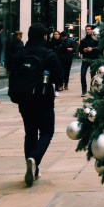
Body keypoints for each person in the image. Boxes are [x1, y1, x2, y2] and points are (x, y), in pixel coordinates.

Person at [13, 23, 63, 186]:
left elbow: (13, 72)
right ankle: (34, 158)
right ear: (44, 36)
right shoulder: (49, 53)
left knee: (30, 133)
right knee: (47, 132)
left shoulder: (22, 52)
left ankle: (33, 169)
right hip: (43, 98)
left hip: (24, 99)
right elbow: (58, 78)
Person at [78, 25, 99, 96]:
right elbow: (80, 50)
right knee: (82, 74)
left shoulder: (96, 39)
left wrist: (92, 49)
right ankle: (84, 90)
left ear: (92, 30)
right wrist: (84, 50)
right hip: (85, 59)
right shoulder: (83, 40)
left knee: (93, 75)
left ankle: (92, 89)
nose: (87, 31)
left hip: (93, 59)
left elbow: (99, 49)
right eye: (86, 29)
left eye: (89, 29)